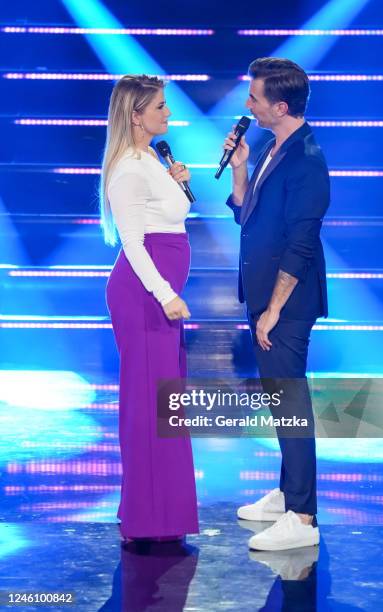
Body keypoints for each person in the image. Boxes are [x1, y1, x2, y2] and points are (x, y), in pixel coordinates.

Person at [224, 57, 330, 551]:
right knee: (279, 402)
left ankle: (303, 517)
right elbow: (248, 214)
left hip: (285, 303)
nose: (248, 105)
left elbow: (300, 246)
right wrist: (240, 170)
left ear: (280, 105)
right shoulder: (271, 146)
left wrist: (273, 309)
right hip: (263, 294)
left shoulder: (308, 161)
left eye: (255, 98)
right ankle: (289, 493)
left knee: (292, 405)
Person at [100, 74, 199, 543]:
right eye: (160, 107)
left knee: (163, 402)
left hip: (156, 293)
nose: (168, 114)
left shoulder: (151, 161)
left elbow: (169, 221)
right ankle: (147, 518)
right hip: (143, 295)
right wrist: (165, 294)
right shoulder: (127, 168)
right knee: (150, 402)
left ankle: (159, 512)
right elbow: (134, 245)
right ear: (136, 115)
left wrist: (181, 186)